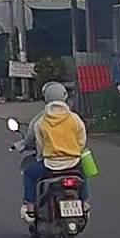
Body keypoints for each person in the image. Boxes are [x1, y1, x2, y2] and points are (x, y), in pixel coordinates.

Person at [12, 81, 89, 222]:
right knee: (83, 174)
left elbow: (40, 146)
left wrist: (43, 156)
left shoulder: (41, 121)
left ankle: (30, 208)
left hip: (51, 164)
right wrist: (74, 152)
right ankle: (84, 203)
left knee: (29, 174)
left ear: (46, 98)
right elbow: (82, 140)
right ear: (64, 96)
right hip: (73, 162)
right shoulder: (75, 118)